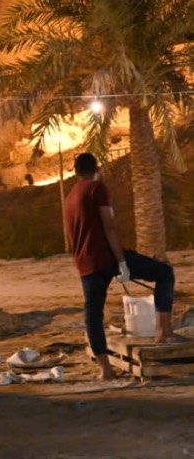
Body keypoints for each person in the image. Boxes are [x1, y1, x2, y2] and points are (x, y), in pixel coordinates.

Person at [63, 152, 188, 380]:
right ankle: (163, 331)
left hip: (85, 261)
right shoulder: (97, 188)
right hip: (107, 257)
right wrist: (122, 262)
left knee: (93, 313)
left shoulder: (70, 196)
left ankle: (105, 369)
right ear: (97, 169)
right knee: (164, 273)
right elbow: (109, 225)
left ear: (75, 172)